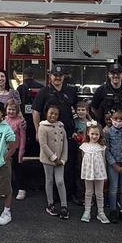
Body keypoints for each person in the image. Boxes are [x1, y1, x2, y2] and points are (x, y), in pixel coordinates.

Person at [32, 66, 79, 202]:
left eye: (60, 75)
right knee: (52, 165)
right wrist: (37, 131)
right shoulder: (44, 92)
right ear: (50, 76)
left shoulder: (70, 91)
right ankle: (54, 198)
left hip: (68, 134)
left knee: (69, 165)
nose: (57, 78)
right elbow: (36, 112)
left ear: (64, 77)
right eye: (55, 75)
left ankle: (69, 195)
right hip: (50, 135)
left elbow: (76, 111)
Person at [37, 104, 69, 219]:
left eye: (56, 114)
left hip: (60, 160)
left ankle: (64, 205)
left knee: (60, 181)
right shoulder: (43, 127)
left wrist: (63, 159)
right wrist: (53, 158)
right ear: (46, 113)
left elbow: (65, 143)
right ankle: (50, 204)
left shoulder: (61, 127)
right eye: (51, 113)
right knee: (49, 180)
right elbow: (43, 145)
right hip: (48, 160)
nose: (53, 116)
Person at [80, 124, 108, 224]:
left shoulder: (102, 147)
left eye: (97, 134)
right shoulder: (84, 146)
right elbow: (84, 159)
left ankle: (101, 212)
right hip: (88, 173)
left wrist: (104, 174)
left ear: (100, 135)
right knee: (88, 193)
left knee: (99, 193)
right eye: (92, 134)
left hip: (99, 173)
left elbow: (104, 160)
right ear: (88, 133)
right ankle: (87, 211)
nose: (94, 136)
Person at [17, 66, 44, 162]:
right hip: (38, 117)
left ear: (24, 76)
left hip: (24, 118)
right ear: (34, 75)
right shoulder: (41, 87)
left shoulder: (20, 88)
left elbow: (17, 104)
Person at [3, 100, 28, 200]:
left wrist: (21, 151)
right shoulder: (3, 121)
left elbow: (23, 137)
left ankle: (21, 189)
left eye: (13, 109)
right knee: (6, 170)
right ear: (6, 109)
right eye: (9, 109)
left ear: (17, 110)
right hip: (6, 149)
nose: (11, 111)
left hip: (16, 149)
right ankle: (6, 189)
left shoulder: (20, 121)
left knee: (18, 169)